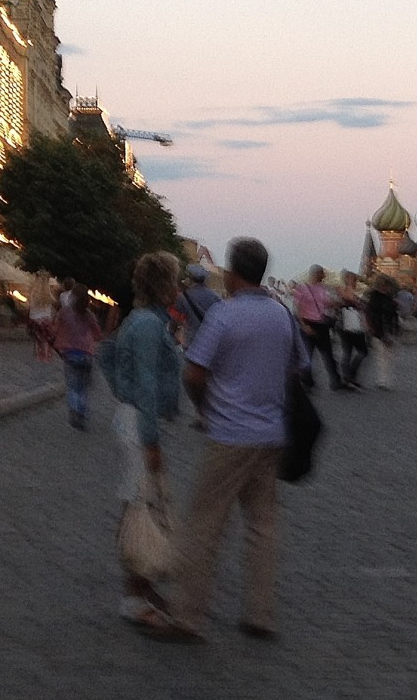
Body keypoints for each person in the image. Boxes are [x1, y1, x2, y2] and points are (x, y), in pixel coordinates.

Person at [145, 237, 306, 643]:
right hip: (270, 435)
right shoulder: (282, 316)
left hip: (230, 434)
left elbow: (194, 374)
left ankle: (186, 616)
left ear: (232, 274)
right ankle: (260, 614)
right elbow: (299, 367)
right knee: (263, 525)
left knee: (203, 524)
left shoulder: (224, 316)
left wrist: (205, 408)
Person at [112, 251, 184, 630]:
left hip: (137, 421)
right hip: (139, 423)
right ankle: (134, 597)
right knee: (142, 507)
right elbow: (145, 386)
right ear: (161, 286)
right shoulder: (145, 326)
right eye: (174, 280)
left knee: (140, 505)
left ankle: (141, 588)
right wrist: (152, 442)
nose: (179, 288)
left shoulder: (149, 322)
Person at [53, 288, 105, 429]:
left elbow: (55, 330)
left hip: (69, 354)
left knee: (73, 387)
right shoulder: (89, 315)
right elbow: (98, 334)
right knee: (83, 388)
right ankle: (81, 412)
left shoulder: (64, 313)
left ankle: (74, 410)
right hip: (86, 355)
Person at [293, 265, 343, 391]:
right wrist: (303, 325)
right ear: (316, 274)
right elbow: (297, 308)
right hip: (308, 323)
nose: (324, 276)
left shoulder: (323, 288)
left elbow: (325, 304)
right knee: (307, 355)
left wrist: (336, 303)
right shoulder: (302, 288)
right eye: (322, 274)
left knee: (328, 354)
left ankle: (335, 381)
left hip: (321, 324)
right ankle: (307, 380)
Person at [334, 271, 369, 389]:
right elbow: (347, 300)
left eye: (355, 279)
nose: (354, 282)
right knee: (349, 351)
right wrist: (356, 301)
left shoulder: (356, 292)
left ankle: (349, 375)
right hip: (346, 325)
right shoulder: (342, 290)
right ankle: (348, 376)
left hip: (356, 325)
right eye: (352, 279)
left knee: (361, 351)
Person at [367, 274, 400, 389]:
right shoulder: (377, 298)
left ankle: (384, 379)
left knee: (387, 356)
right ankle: (382, 380)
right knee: (382, 355)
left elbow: (393, 315)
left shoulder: (386, 297)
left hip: (386, 328)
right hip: (380, 328)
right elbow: (374, 315)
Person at [179, 263, 221, 346]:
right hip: (209, 341)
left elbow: (177, 318)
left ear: (190, 278)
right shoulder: (214, 296)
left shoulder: (184, 296)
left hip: (191, 340)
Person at [26, 270, 58, 362]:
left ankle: (37, 353)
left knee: (37, 338)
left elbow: (30, 304)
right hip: (45, 319)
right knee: (45, 339)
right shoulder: (48, 293)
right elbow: (54, 302)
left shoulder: (34, 293)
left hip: (34, 318)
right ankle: (46, 355)